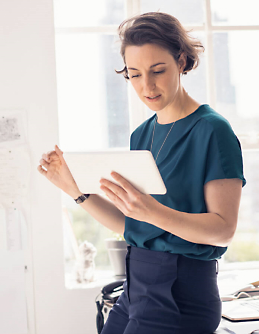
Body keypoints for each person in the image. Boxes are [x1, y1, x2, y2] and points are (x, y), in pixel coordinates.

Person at [37, 12, 246, 334]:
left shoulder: (212, 130)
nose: (146, 86)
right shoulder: (142, 134)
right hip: (137, 287)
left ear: (180, 61)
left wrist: (152, 211)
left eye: (157, 71)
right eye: (134, 75)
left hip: (182, 293)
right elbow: (130, 224)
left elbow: (223, 230)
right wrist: (74, 189)